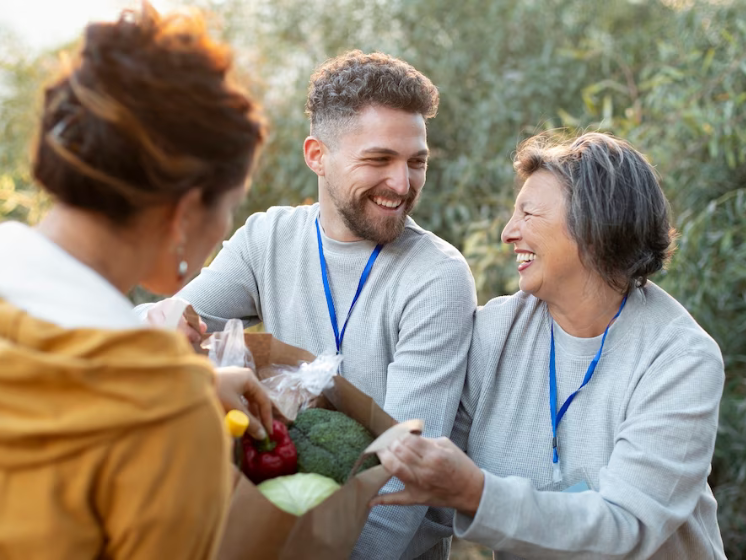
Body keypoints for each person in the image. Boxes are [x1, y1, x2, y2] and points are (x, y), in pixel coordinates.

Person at [0, 4, 270, 559]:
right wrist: (177, 399)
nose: (224, 230)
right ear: (186, 209)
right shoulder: (162, 412)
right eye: (230, 206)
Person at [138, 50, 477, 559]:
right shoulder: (268, 238)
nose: (402, 185)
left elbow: (398, 487)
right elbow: (164, 331)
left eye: (416, 162)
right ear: (317, 155)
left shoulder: (436, 277)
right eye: (379, 160)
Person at [372, 132, 726, 559]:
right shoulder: (494, 334)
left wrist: (476, 492)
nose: (508, 232)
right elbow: (423, 492)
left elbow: (627, 528)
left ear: (595, 225)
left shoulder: (679, 360)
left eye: (528, 213)